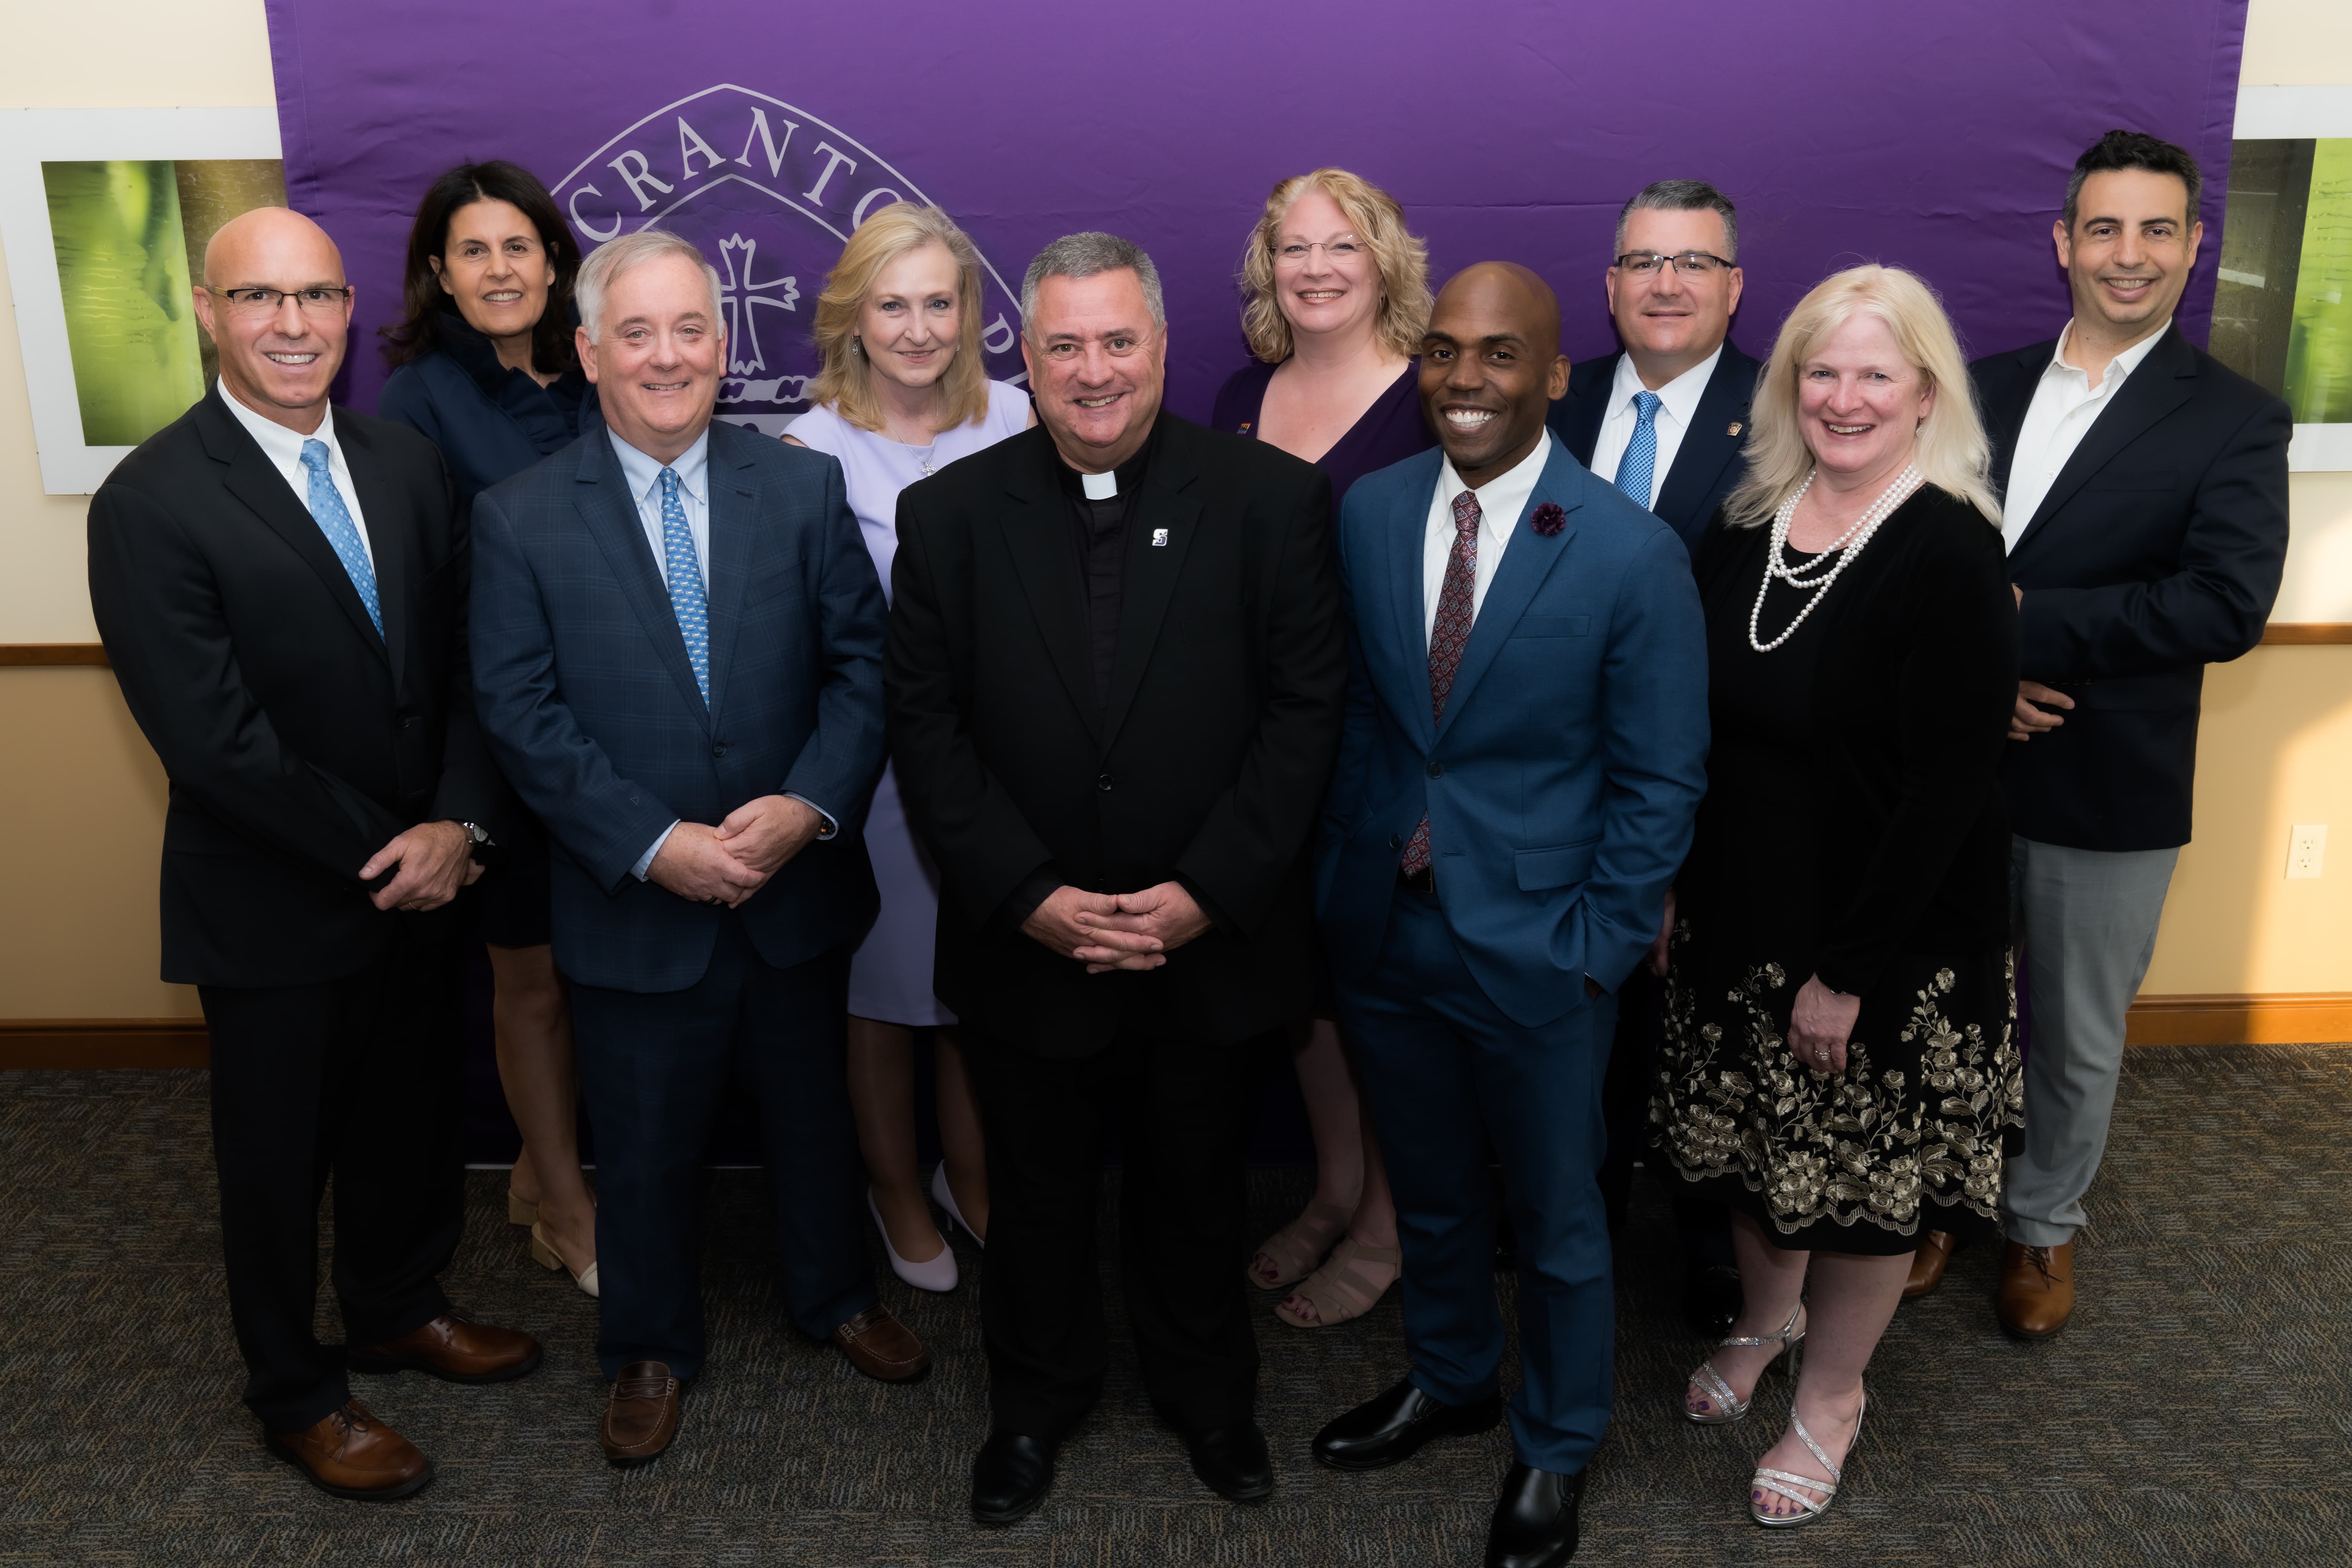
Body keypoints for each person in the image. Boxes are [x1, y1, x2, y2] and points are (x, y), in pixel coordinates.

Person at [887, 232, 1345, 1523]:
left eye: (1119, 342)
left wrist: (1204, 891)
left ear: (1161, 346)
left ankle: (1211, 1399)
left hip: (1204, 935)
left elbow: (1307, 715)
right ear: (1024, 360)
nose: (1095, 372)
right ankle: (1033, 1405)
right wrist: (1027, 895)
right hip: (1029, 938)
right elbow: (925, 726)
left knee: (1199, 1180)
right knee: (1031, 1194)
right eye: (1066, 347)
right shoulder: (952, 516)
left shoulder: (1269, 500)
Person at [86, 207, 539, 1502]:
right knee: (276, 1163)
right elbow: (215, 743)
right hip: (278, 899)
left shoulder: (404, 464)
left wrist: (459, 829)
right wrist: (399, 852)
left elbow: (464, 670)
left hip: (427, 881)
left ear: (353, 312)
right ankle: (295, 1391)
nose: (293, 325)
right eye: (260, 299)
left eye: (319, 296)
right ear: (208, 313)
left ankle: (400, 1304)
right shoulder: (153, 499)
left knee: (409, 1119)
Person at [469, 228, 928, 1469]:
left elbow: (862, 671)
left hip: (794, 884)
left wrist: (810, 807)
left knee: (812, 1116)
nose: (666, 357)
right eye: (637, 332)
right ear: (588, 351)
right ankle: (648, 1349)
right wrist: (649, 841)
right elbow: (521, 714)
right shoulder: (517, 520)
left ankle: (835, 1297)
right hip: (637, 901)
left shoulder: (798, 487)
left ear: (726, 347)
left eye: (690, 330)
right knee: (647, 1135)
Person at [1312, 262, 1708, 1568]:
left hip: (1542, 952)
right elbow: (1370, 717)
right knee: (1426, 1191)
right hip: (1389, 927)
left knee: (1557, 1217)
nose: (1464, 381)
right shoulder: (1367, 513)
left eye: (1498, 356)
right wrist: (1341, 879)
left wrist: (1596, 947)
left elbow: (1660, 778)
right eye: (1441, 353)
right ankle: (1453, 1377)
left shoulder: (1628, 549)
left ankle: (1555, 1446)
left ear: (1555, 374)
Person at [1648, 264, 2022, 1527]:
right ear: (1788, 384)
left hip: (1888, 941)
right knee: (1761, 1162)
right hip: (1739, 917)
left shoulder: (1952, 547)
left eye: (1876, 373)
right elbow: (1689, 731)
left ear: (1926, 393)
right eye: (1823, 370)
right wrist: (1670, 888)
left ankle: (1833, 1396)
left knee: (1862, 1192)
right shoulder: (1748, 520)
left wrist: (1850, 970)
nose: (1845, 397)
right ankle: (1765, 1322)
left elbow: (1948, 792)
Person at [1936, 131, 2290, 1334]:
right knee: (1946, 1004)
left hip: (2110, 777)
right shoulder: (1975, 386)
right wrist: (1982, 672)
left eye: (2155, 231)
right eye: (2103, 228)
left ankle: (2041, 1231)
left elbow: (2224, 605)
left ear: (2195, 249)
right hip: (1956, 765)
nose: (2126, 256)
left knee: (2076, 1032)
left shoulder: (2236, 419)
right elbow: (1916, 563)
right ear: (2062, 243)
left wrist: (2026, 627)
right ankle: (1936, 1200)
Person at [784, 201, 1029, 1292]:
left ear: (971, 311)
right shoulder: (809, 448)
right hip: (876, 769)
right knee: (881, 1000)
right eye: (895, 304)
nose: (920, 327)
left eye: (940, 302)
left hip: (1003, 770)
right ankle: (894, 1189)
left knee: (980, 993)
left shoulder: (1022, 419)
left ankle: (968, 1177)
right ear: (854, 315)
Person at [1209, 167, 1435, 1330]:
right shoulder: (1240, 397)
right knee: (1304, 989)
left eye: (1341, 245)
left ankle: (1391, 1226)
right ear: (1267, 270)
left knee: (1383, 994)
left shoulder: (1429, 397)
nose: (1316, 267)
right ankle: (1338, 1189)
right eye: (1293, 248)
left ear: (1383, 258)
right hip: (1263, 747)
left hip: (1384, 739)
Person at [378, 159, 600, 1297]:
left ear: (554, 259)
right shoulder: (417, 401)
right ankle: (563, 1201)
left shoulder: (598, 369)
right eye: (474, 250)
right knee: (535, 980)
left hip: (621, 723)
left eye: (518, 246)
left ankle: (532, 1164)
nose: (500, 268)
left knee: (607, 972)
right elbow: (422, 586)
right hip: (504, 723)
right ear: (438, 273)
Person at [1550, 177, 1762, 1338]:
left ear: (1734, 286)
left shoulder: (1791, 410)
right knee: (1572, 1043)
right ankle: (1562, 1220)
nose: (1666, 284)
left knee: (1699, 1043)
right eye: (1643, 262)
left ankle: (1708, 1251)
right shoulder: (1551, 398)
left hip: (1717, 794)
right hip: (1550, 788)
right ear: (1611, 283)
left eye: (1692, 263)